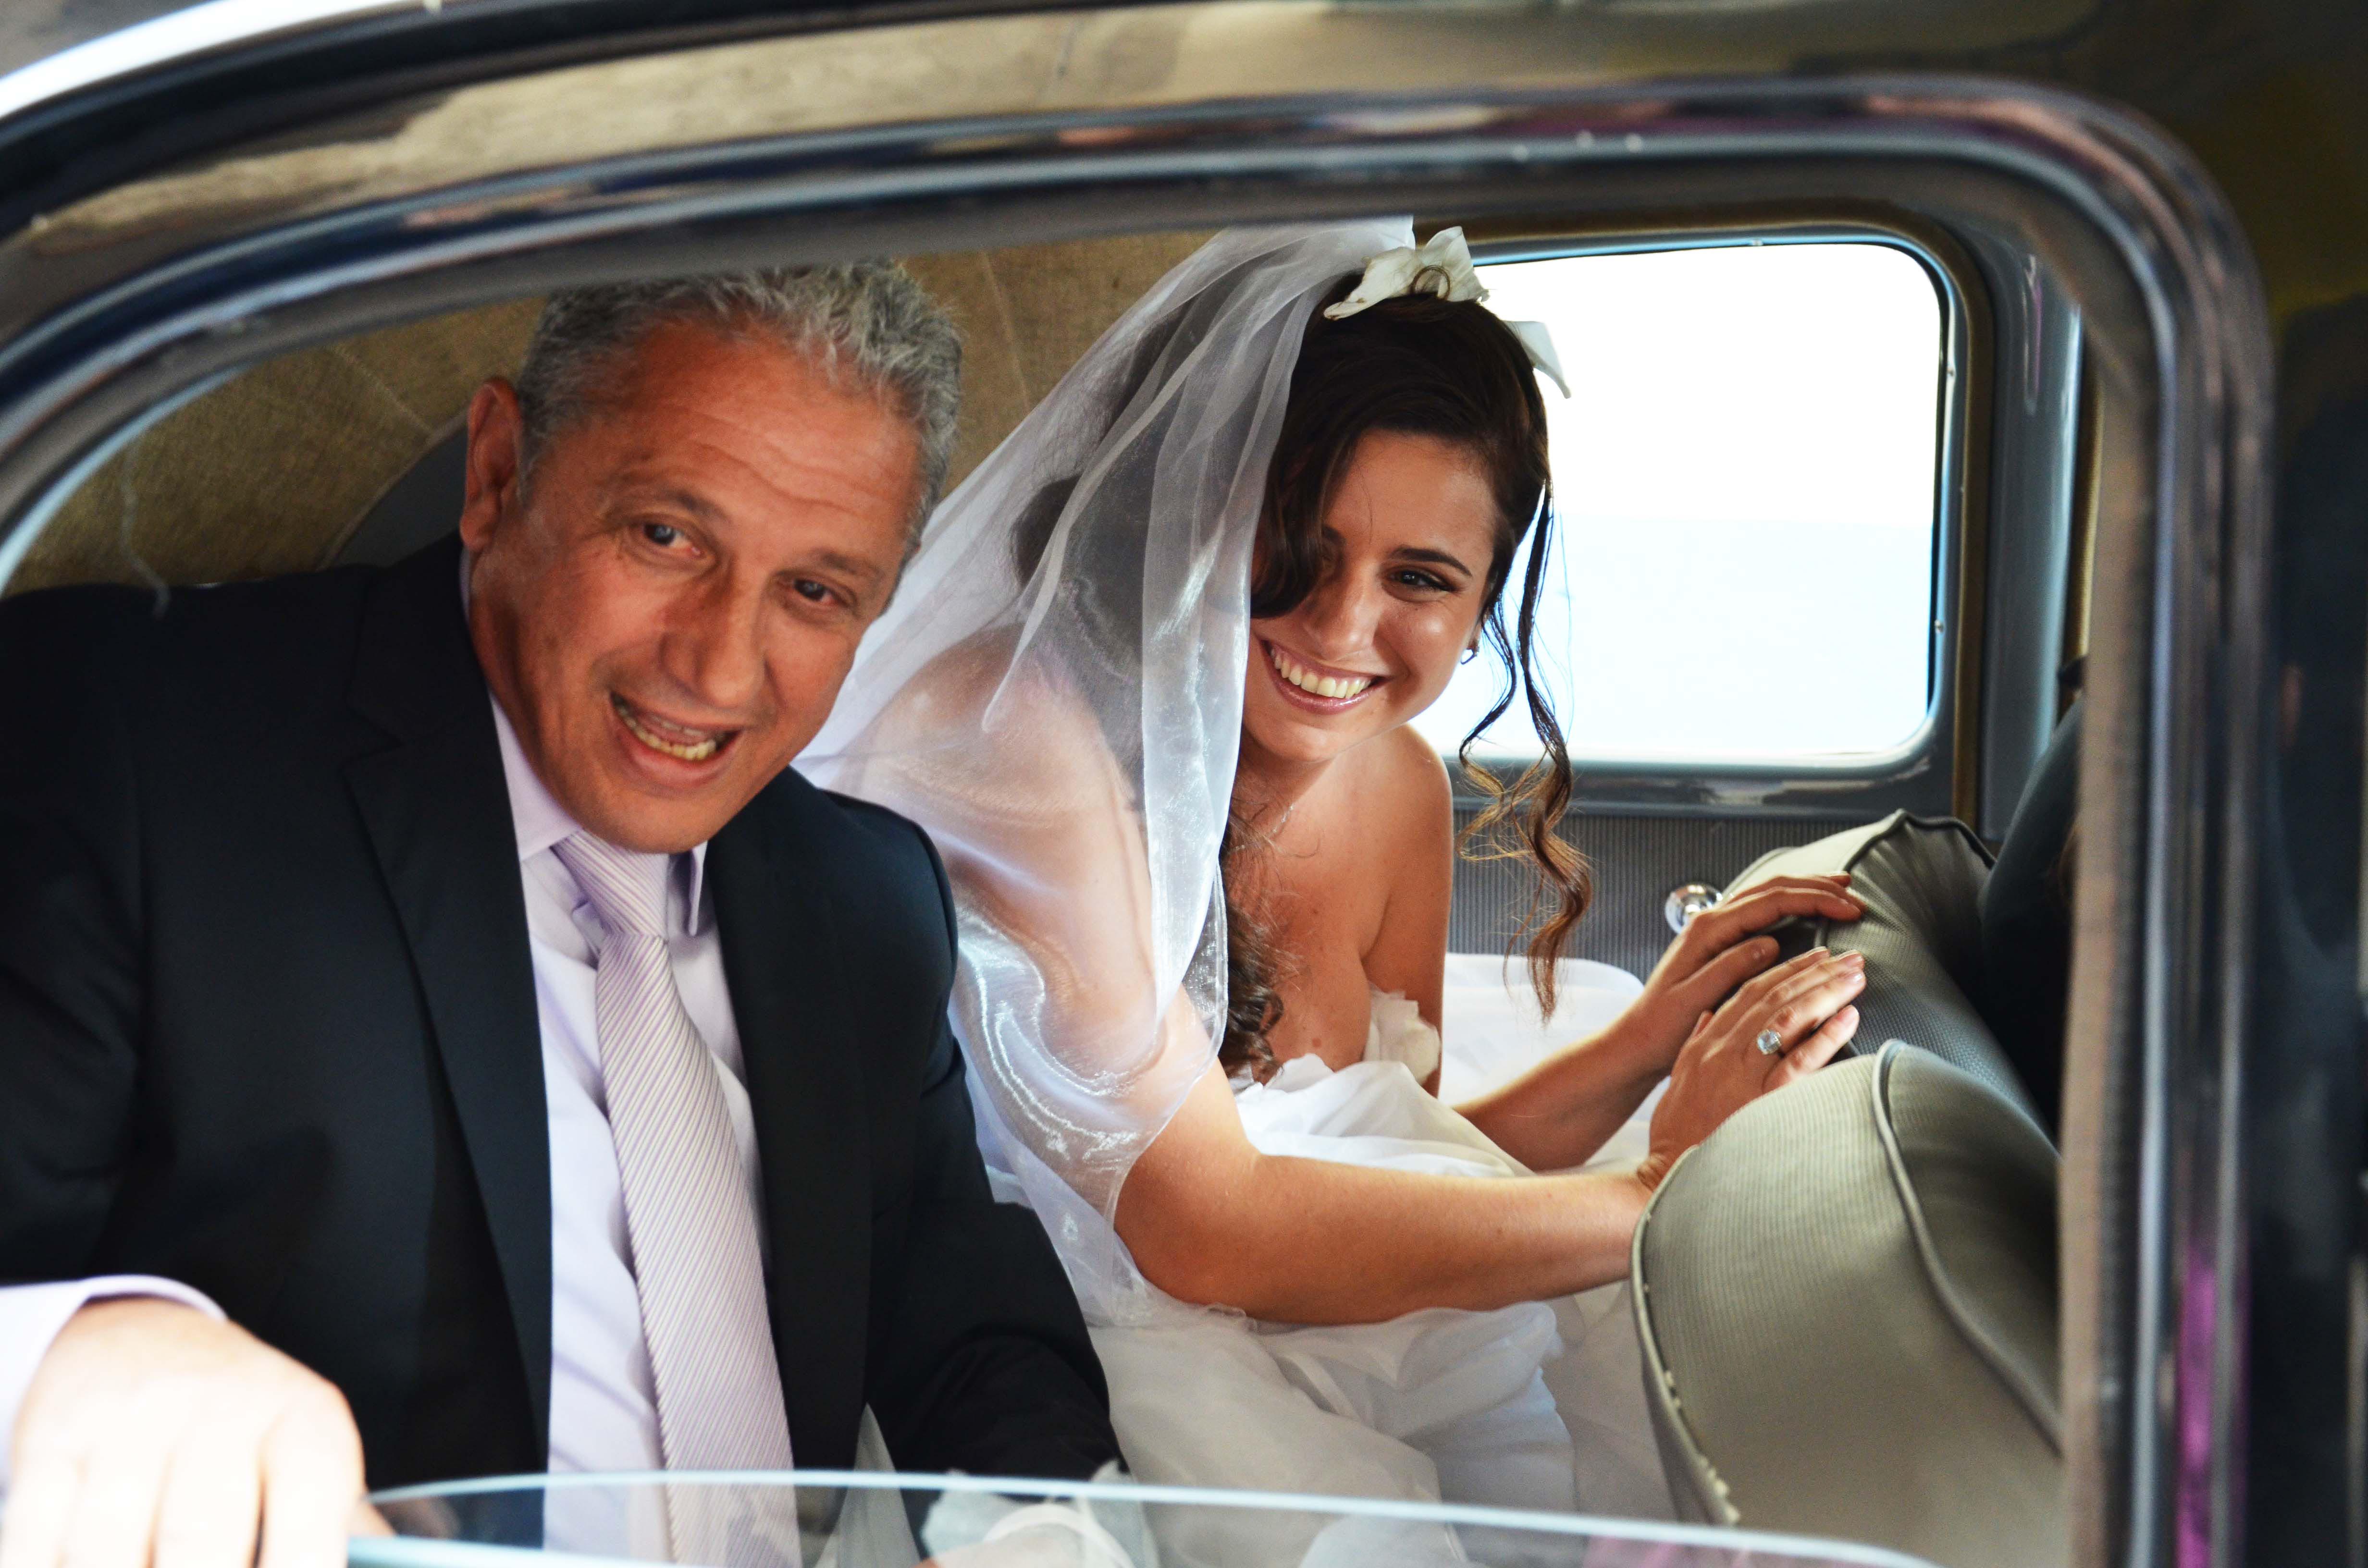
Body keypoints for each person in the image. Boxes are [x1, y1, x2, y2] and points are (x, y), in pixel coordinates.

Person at [0, 266, 1121, 1568]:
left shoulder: (868, 900)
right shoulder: (135, 745)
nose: (717, 667)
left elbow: (978, 1341)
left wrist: (1048, 1538)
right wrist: (86, 1344)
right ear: (498, 473)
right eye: (667, 537)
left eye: (816, 592)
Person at [802, 222, 1868, 1563]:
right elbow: (1206, 1229)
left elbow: (1385, 1165)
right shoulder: (1016, 734)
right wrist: (1655, 1194)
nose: (1342, 626)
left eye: (1420, 578)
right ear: (1179, 515)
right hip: (1063, 1381)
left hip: (1319, 1352)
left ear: (1484, 601)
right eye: (1294, 545)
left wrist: (1644, 1046)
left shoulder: (1399, 785)